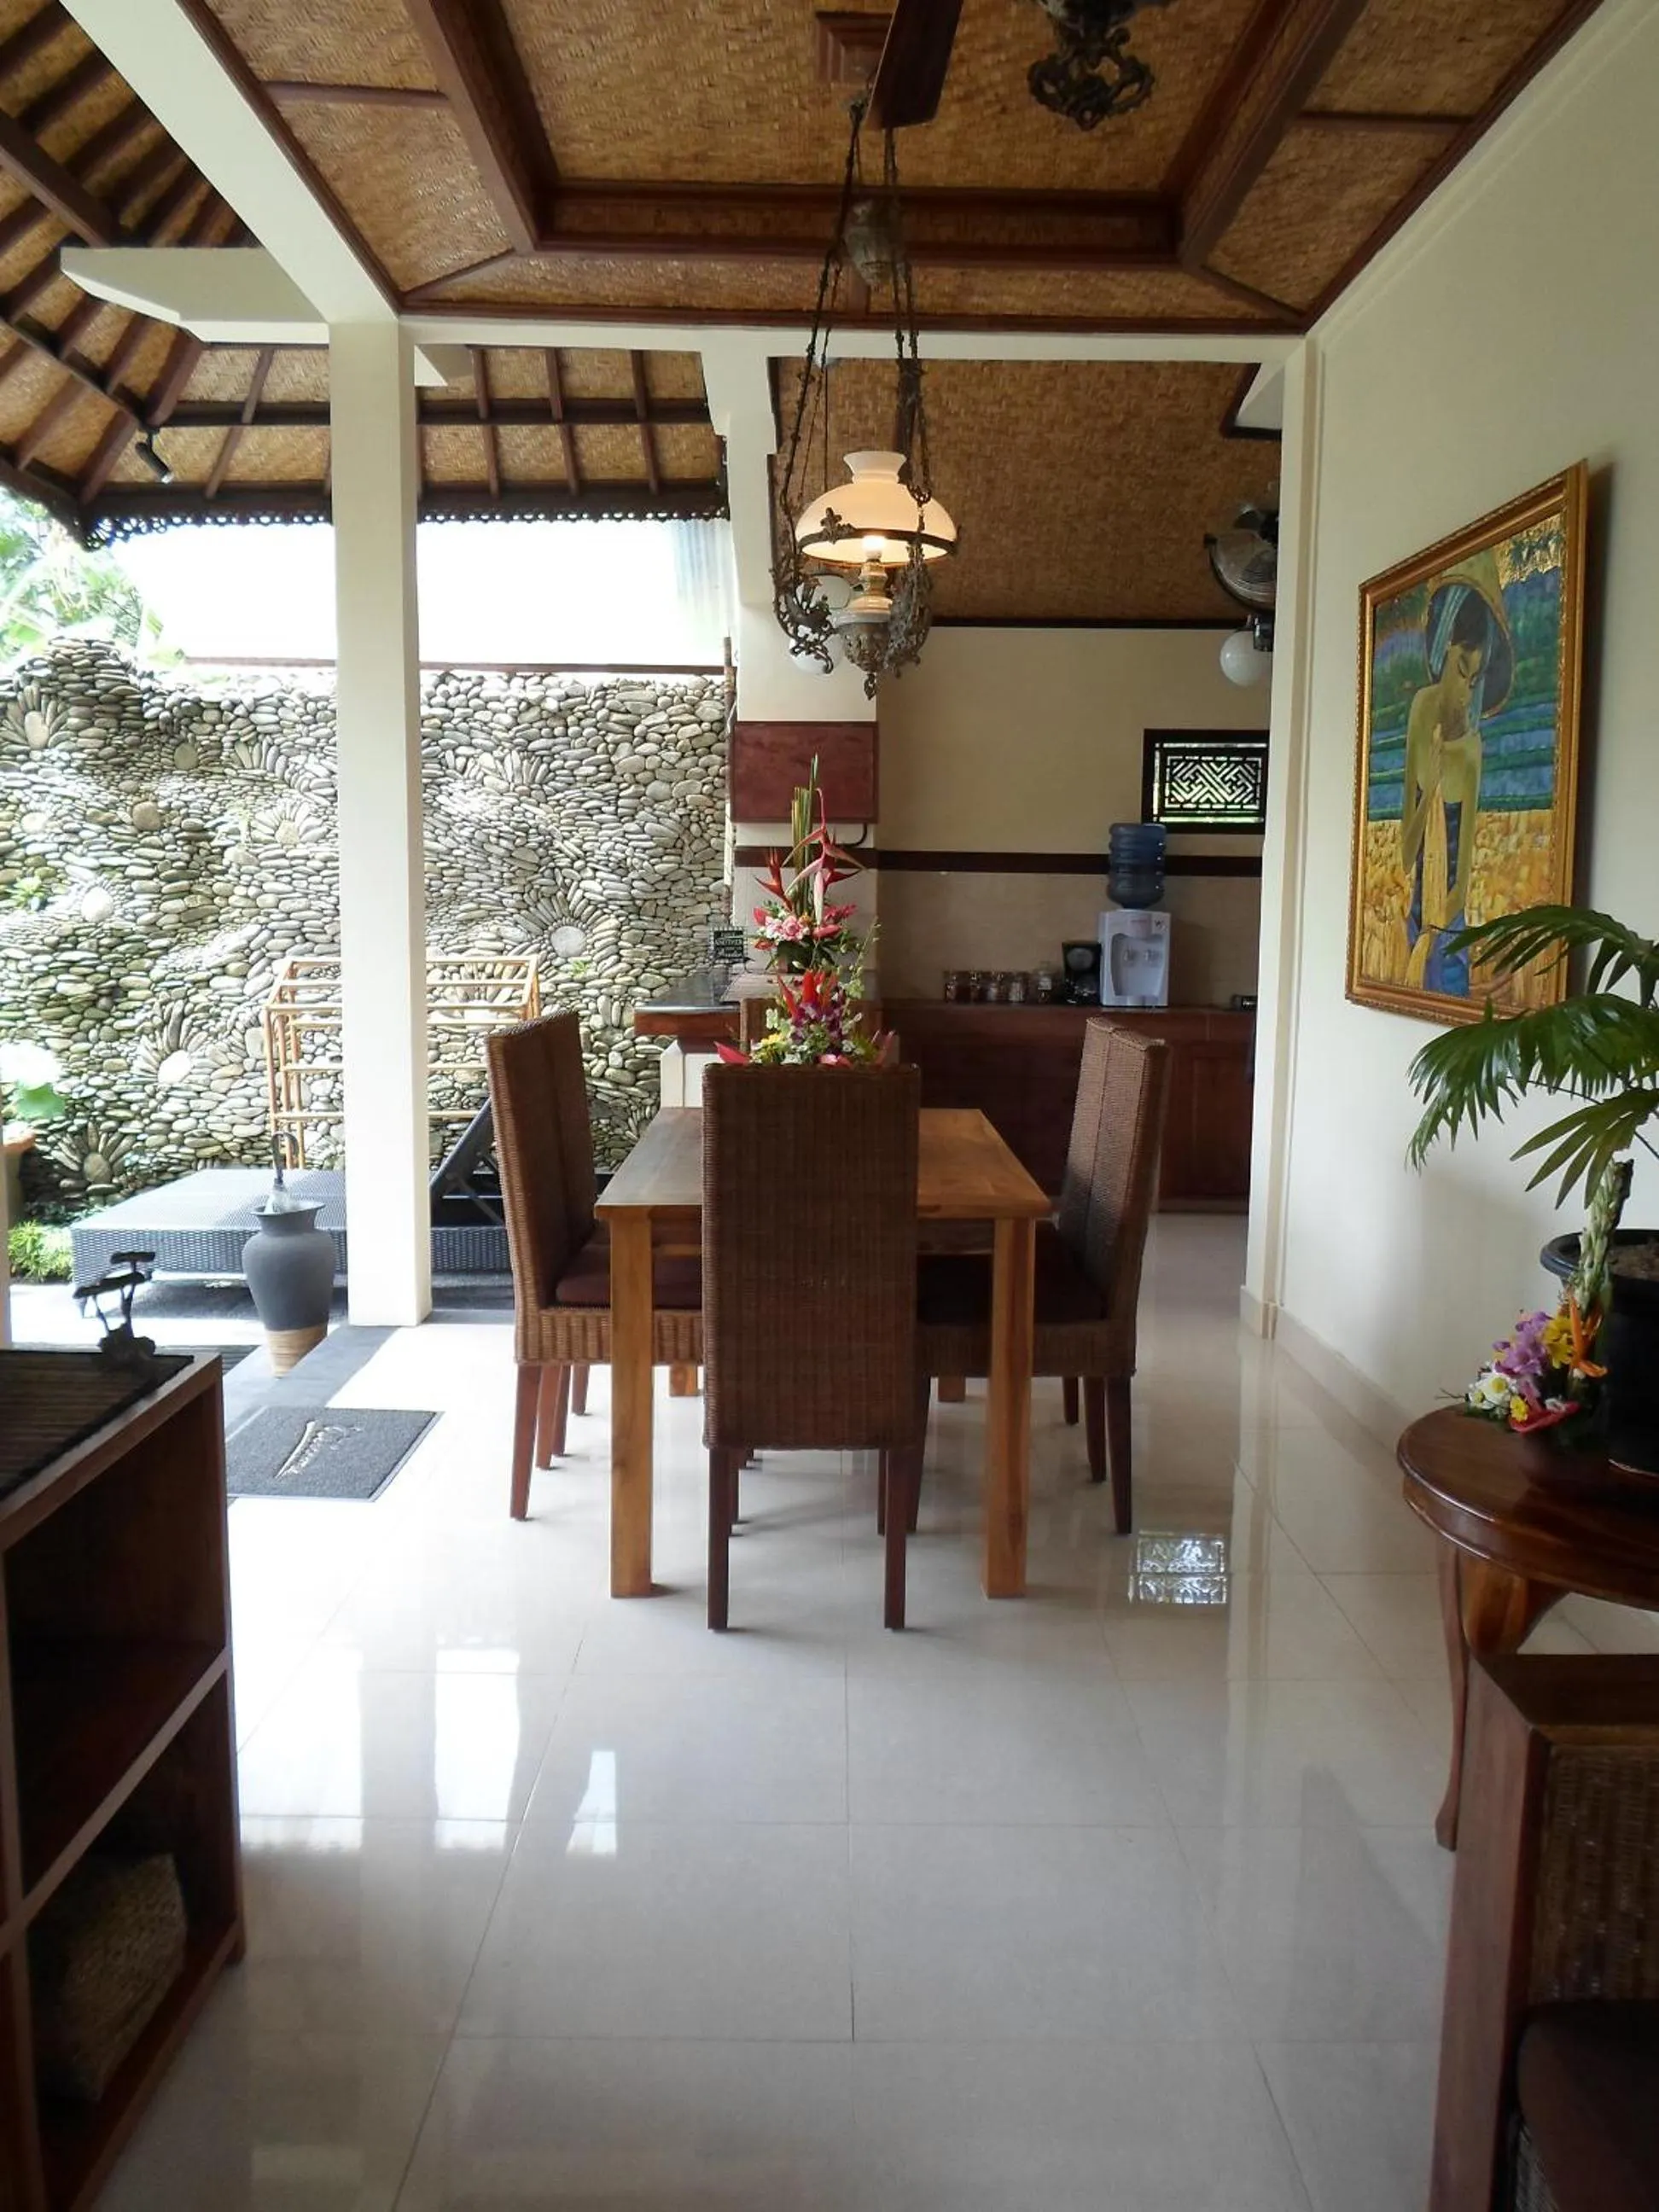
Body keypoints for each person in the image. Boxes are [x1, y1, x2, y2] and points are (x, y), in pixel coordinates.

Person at [1398, 550, 1513, 998]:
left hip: (1447, 928)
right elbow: (1407, 855)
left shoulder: (1473, 749)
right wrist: (1432, 789)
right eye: (1463, 670)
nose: (1467, 692)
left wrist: (1438, 936)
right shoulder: (1421, 709)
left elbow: (1461, 878)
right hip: (1416, 921)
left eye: (1475, 678)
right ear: (1446, 650)